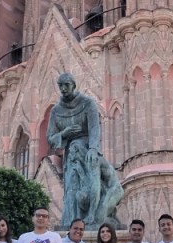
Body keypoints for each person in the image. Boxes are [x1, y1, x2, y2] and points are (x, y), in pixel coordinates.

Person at [46, 72, 123, 228]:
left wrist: (93, 149)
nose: (63, 89)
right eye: (60, 86)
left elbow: (94, 128)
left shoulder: (87, 103)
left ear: (73, 85)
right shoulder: (56, 111)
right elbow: (50, 137)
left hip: (87, 148)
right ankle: (71, 223)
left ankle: (91, 217)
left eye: (66, 85)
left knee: (91, 181)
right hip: (71, 155)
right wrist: (64, 133)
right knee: (72, 189)